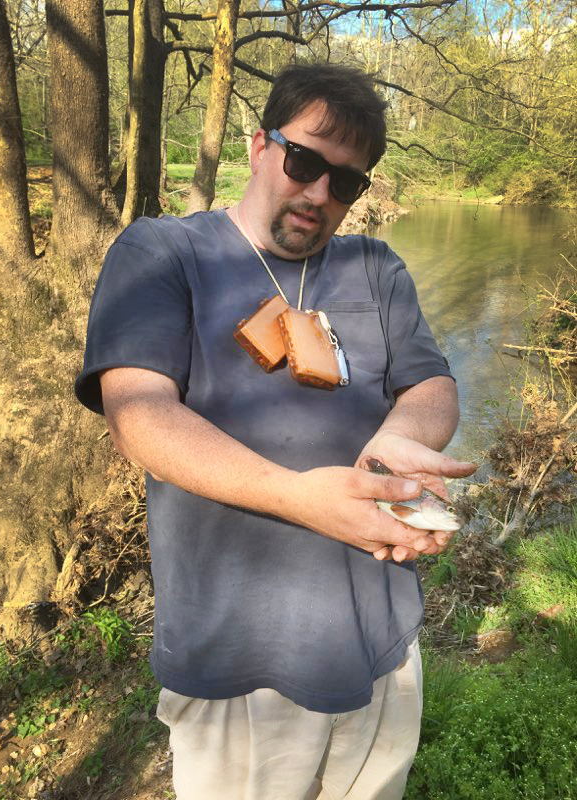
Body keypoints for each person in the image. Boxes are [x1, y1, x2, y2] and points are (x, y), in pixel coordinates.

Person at [75, 63, 475, 800]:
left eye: (347, 182)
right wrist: (301, 498)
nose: (321, 194)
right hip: (242, 660)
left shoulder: (376, 267)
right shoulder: (163, 254)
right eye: (306, 161)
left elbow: (431, 385)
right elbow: (138, 416)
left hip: (382, 641)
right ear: (260, 145)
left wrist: (397, 440)